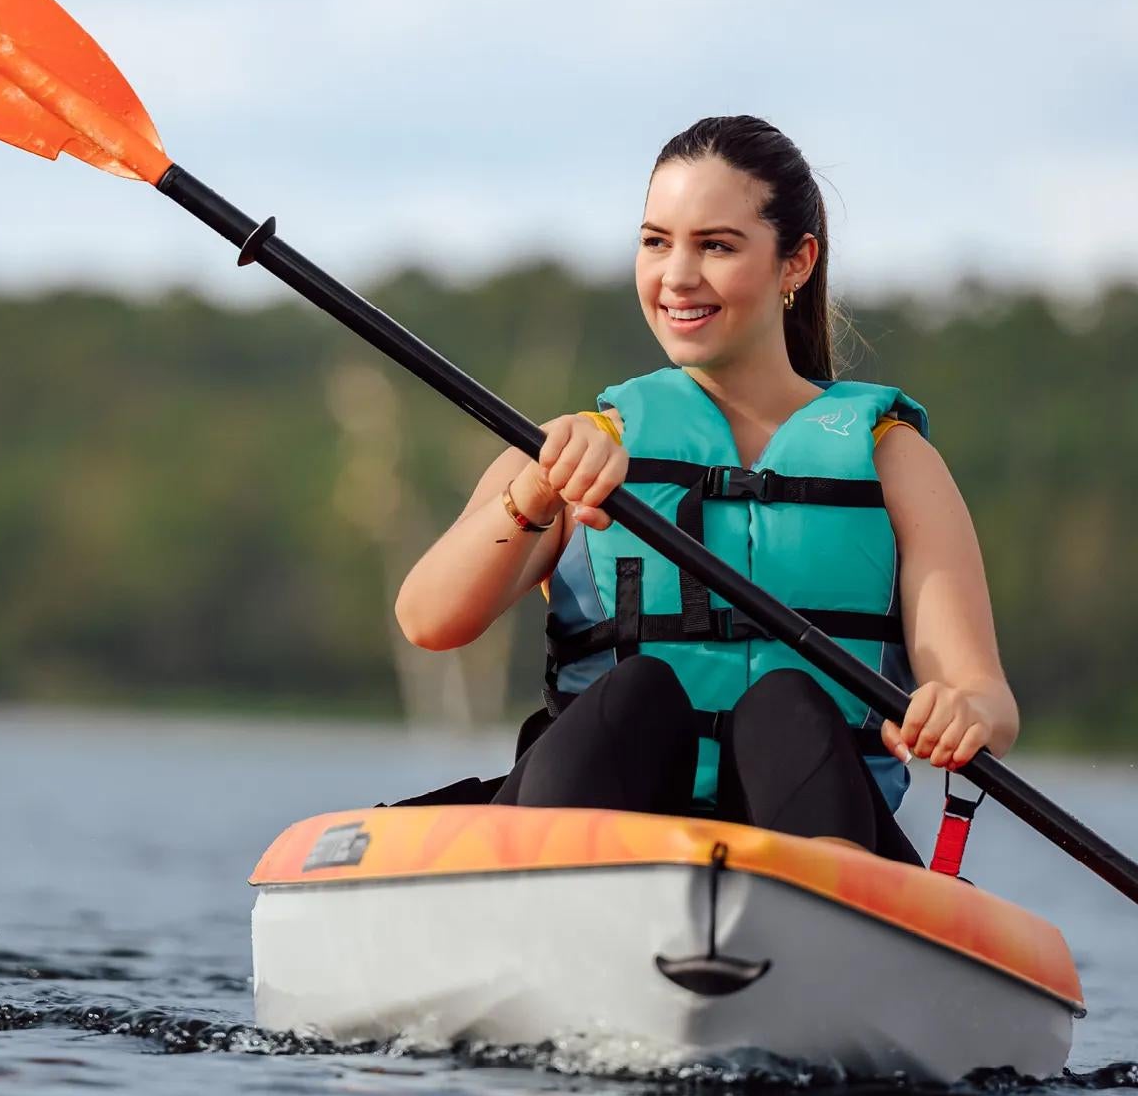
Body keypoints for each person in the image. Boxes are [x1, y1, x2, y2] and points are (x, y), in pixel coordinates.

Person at [394, 116, 1017, 865]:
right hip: (594, 831)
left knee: (787, 707)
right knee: (637, 694)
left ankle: (816, 918)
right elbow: (428, 620)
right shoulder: (583, 445)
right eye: (656, 241)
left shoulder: (893, 460)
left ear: (797, 263)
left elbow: (984, 695)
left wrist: (963, 710)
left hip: (810, 838)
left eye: (715, 245)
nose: (677, 276)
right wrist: (537, 491)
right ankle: (539, 894)